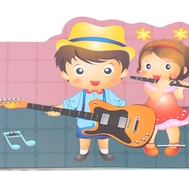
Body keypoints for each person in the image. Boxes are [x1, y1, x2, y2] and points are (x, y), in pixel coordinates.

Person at [51, 22, 135, 162]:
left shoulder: (107, 94)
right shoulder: (82, 95)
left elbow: (120, 105)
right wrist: (56, 109)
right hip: (85, 123)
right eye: (80, 70)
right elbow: (69, 104)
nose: (95, 77)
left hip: (106, 123)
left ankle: (104, 151)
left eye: (107, 70)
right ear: (65, 73)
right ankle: (83, 152)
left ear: (123, 72)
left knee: (104, 138)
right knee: (84, 138)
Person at [136, 39, 189, 156]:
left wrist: (180, 89)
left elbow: (179, 97)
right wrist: (161, 87)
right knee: (151, 128)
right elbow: (155, 97)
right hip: (152, 111)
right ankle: (149, 144)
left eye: (167, 66)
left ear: (183, 70)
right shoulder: (148, 85)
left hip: (170, 110)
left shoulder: (172, 84)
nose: (155, 70)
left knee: (172, 127)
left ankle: (173, 144)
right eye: (148, 65)